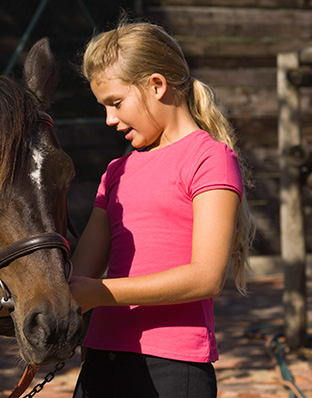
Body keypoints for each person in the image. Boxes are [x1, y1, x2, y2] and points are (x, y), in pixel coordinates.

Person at [69, 20, 256, 398]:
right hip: (99, 359)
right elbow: (77, 278)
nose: (109, 119)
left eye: (116, 103)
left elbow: (206, 277)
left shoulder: (209, 159)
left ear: (157, 85)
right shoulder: (116, 171)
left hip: (172, 368)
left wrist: (98, 293)